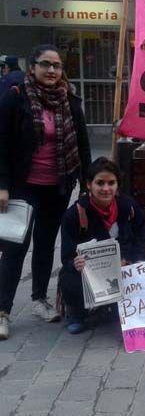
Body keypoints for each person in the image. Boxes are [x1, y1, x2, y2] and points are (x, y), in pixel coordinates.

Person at [0, 44, 91, 341]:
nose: (51, 71)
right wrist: (2, 186)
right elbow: (1, 144)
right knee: (15, 248)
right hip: (23, 186)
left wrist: (87, 182)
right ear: (33, 67)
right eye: (45, 65)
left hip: (59, 185)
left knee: (45, 245)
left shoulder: (69, 100)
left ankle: (39, 299)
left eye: (56, 66)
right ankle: (3, 311)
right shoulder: (16, 98)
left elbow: (83, 142)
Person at [59, 157, 144, 334]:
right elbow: (66, 256)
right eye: (100, 183)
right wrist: (74, 263)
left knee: (138, 273)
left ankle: (112, 306)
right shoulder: (74, 215)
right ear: (89, 185)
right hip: (87, 274)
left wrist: (129, 259)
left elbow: (140, 236)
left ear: (117, 185)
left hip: (120, 268)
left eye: (111, 183)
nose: (106, 189)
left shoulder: (128, 207)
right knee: (69, 278)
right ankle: (76, 312)